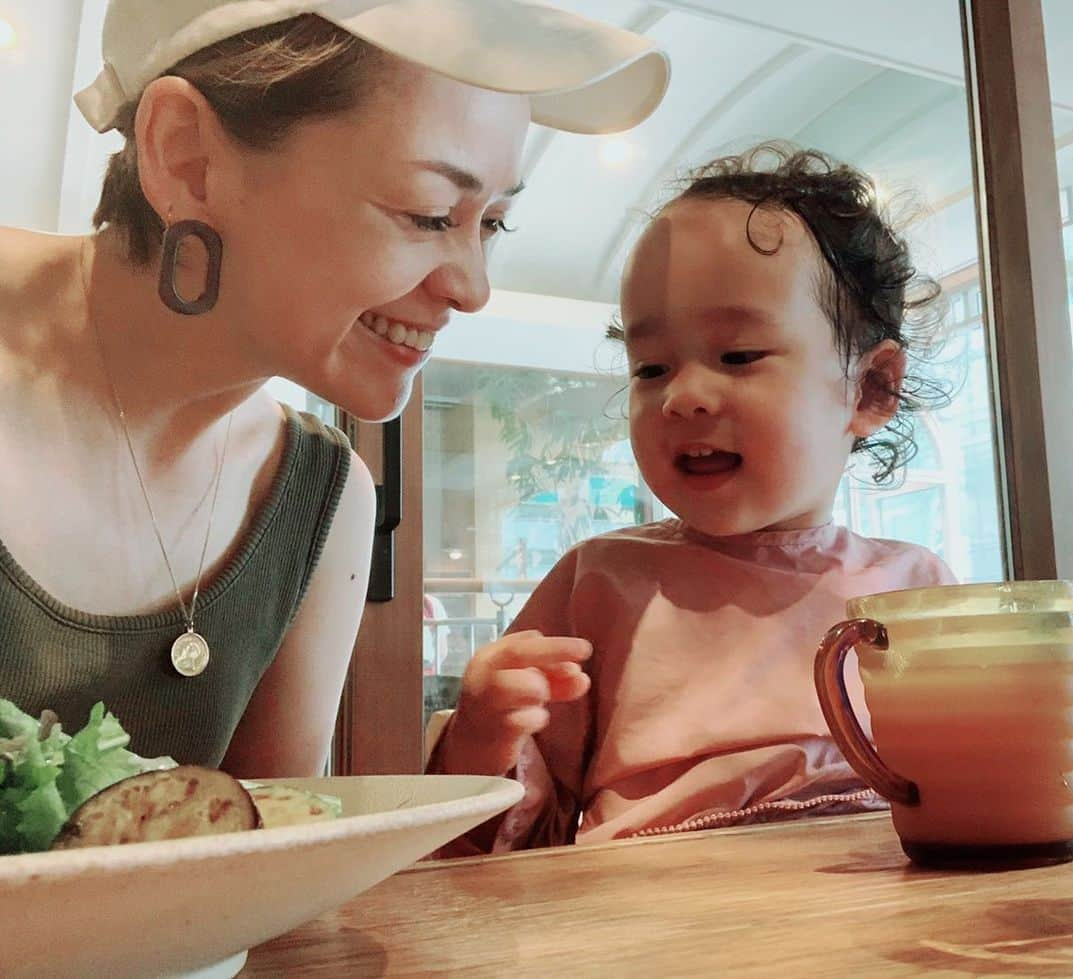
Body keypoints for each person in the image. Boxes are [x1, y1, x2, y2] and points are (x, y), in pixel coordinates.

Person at [0, 1, 669, 776]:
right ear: (186, 157)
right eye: (426, 214)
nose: (473, 289)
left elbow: (268, 864)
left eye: (491, 224)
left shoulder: (320, 499)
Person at [429, 144, 957, 851]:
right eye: (651, 367)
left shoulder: (914, 588)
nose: (682, 396)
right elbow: (500, 850)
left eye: (737, 356)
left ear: (870, 388)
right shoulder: (599, 583)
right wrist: (481, 737)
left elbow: (976, 795)